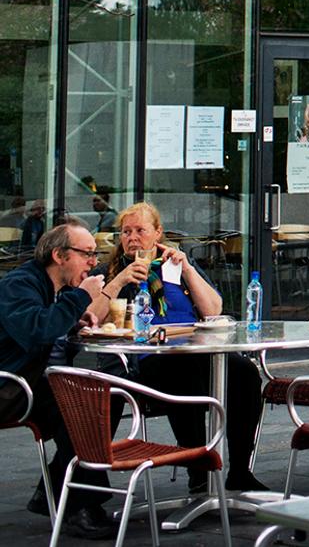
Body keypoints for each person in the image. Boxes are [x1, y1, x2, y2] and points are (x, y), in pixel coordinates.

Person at [103, 203, 266, 496]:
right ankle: (199, 471)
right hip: (147, 360)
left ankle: (240, 471)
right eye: (126, 232)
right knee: (182, 368)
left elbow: (213, 309)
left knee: (245, 372)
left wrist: (188, 269)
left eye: (140, 230)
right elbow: (98, 317)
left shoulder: (176, 266)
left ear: (158, 233)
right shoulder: (113, 272)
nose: (132, 238)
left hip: (197, 349)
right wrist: (121, 280)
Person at [0, 219, 117, 538]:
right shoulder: (19, 284)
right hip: (8, 387)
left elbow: (45, 324)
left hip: (27, 383)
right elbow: (35, 331)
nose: (93, 262)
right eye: (87, 253)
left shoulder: (53, 288)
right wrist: (79, 298)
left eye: (95, 254)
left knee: (90, 404)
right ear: (59, 255)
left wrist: (73, 321)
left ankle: (59, 495)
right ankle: (79, 506)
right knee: (82, 408)